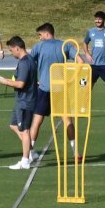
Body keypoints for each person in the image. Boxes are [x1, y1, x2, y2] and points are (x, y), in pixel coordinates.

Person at [26, 23, 78, 161]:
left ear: (47, 33)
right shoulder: (65, 45)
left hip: (44, 89)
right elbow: (80, 61)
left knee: (37, 121)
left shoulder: (39, 47)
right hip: (60, 89)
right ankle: (76, 152)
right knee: (67, 120)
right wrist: (71, 79)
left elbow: (29, 64)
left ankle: (29, 152)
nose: (39, 38)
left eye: (40, 35)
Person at [0, 36, 37, 170]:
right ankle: (31, 152)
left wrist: (5, 81)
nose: (11, 52)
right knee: (14, 125)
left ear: (17, 48)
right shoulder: (29, 60)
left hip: (25, 101)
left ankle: (25, 160)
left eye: (11, 50)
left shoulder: (25, 62)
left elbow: (20, 84)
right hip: (22, 100)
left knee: (25, 131)